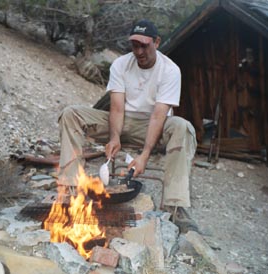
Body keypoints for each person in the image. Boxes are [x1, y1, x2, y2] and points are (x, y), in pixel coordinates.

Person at [58, 19, 198, 232]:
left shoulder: (170, 70)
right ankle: (70, 190)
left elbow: (158, 116)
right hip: (121, 122)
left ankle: (176, 206)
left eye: (145, 45)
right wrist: (114, 138)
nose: (139, 51)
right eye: (135, 45)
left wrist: (144, 155)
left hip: (152, 127)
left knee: (183, 127)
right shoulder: (121, 64)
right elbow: (116, 108)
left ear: (156, 42)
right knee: (71, 114)